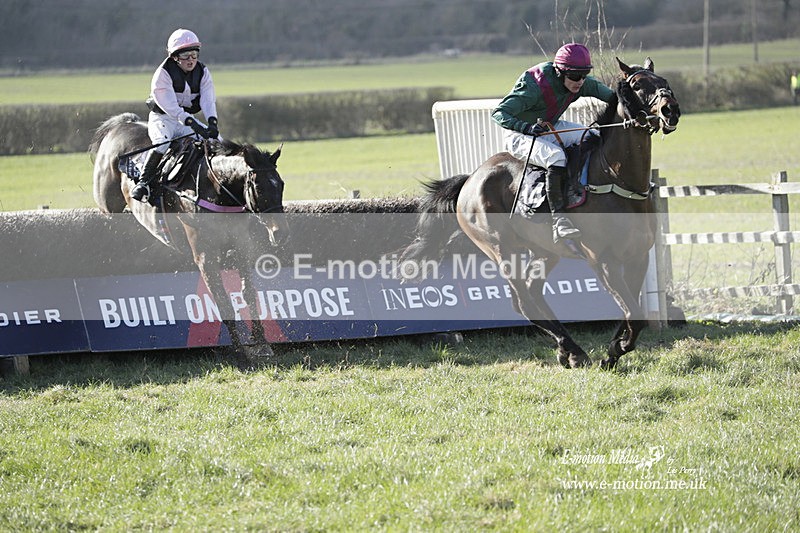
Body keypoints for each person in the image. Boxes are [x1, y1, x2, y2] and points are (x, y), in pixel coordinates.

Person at [492, 43, 615, 242]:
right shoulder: (534, 87)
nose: (580, 82)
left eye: (584, 75)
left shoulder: (581, 82)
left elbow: (614, 98)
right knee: (556, 156)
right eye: (575, 76)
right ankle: (559, 219)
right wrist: (527, 128)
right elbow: (499, 113)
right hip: (518, 134)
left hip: (549, 126)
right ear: (560, 72)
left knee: (592, 135)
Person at [131, 28, 220, 202]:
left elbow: (208, 101)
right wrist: (192, 124)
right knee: (162, 144)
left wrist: (212, 123)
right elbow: (171, 107)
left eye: (194, 55)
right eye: (186, 55)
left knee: (218, 142)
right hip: (163, 118)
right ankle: (143, 183)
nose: (191, 60)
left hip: (185, 120)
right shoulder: (162, 74)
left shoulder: (203, 72)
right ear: (175, 57)